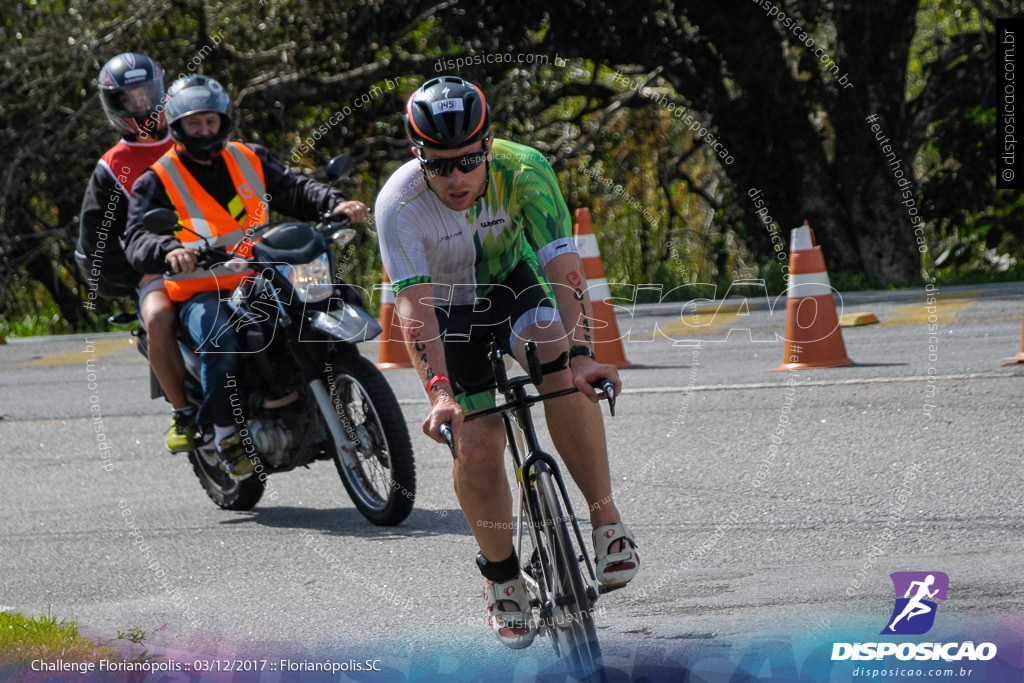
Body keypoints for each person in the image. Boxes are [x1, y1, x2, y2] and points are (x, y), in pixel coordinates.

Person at [375, 75, 640, 648]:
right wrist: (440, 394)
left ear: (488, 145)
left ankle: (605, 521)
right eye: (439, 164)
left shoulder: (525, 170)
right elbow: (414, 309)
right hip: (448, 312)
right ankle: (502, 578)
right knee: (477, 438)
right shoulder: (398, 205)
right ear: (417, 156)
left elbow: (564, 268)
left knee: (566, 378)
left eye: (468, 160)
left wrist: (582, 356)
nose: (456, 177)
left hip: (512, 287)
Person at [125, 74, 369, 479]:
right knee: (219, 339)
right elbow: (137, 237)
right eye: (194, 123)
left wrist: (336, 202)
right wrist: (170, 250)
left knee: (321, 301)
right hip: (202, 289)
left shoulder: (249, 157)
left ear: (224, 121)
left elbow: (294, 189)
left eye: (211, 122)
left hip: (262, 274)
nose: (205, 130)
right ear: (178, 127)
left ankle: (342, 388)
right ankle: (226, 435)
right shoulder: (158, 178)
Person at [75, 52, 195, 453]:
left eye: (149, 94)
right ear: (116, 106)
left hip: (222, 255)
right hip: (161, 269)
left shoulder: (195, 134)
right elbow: (96, 246)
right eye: (132, 99)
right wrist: (137, 277)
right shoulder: (111, 167)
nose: (145, 106)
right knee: (159, 319)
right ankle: (183, 413)